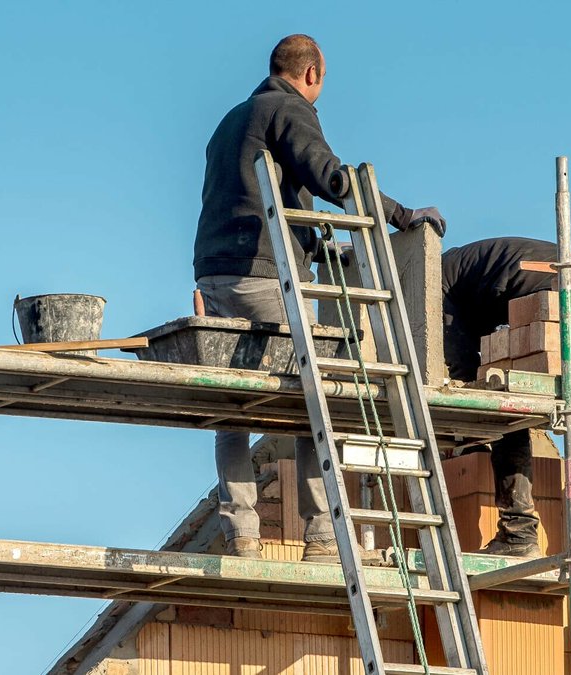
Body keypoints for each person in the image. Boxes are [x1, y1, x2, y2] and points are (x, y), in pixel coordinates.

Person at [194, 34, 446, 562]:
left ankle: (241, 535)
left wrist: (313, 238)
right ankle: (323, 537)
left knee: (232, 407)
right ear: (312, 74)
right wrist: (402, 216)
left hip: (215, 273)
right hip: (265, 275)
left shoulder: (230, 121)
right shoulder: (288, 109)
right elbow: (332, 176)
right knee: (317, 398)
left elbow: (261, 190)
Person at [442, 237, 571, 564]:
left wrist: (469, 436)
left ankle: (518, 534)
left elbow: (463, 373)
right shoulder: (468, 268)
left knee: (503, 405)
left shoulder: (436, 284)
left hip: (545, 297)